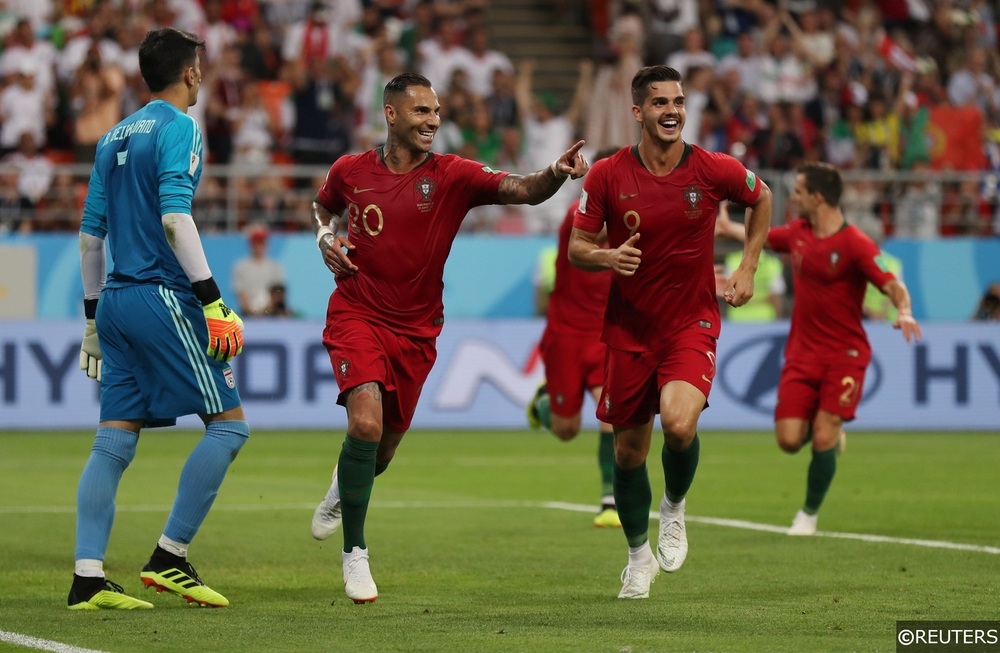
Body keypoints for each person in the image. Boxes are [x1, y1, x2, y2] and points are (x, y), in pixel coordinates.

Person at [308, 72, 589, 604]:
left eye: (436, 113)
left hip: (417, 330)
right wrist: (325, 236)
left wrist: (556, 170)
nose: (433, 121)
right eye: (421, 112)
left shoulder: (454, 175)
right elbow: (323, 206)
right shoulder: (350, 170)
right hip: (357, 311)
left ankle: (342, 489)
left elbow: (524, 190)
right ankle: (356, 555)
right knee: (365, 423)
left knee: (383, 448)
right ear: (391, 114)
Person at [568, 65, 772, 600]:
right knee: (628, 454)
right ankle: (638, 557)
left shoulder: (712, 168)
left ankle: (674, 508)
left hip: (691, 323)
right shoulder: (608, 175)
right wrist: (608, 256)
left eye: (678, 101)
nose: (672, 110)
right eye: (659, 102)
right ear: (638, 112)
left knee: (680, 425)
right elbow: (577, 248)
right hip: (629, 330)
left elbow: (762, 198)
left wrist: (747, 265)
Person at [71, 27, 249, 611]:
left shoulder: (111, 137)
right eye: (200, 66)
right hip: (160, 296)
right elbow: (177, 221)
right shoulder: (179, 129)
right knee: (228, 425)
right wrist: (213, 299)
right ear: (191, 72)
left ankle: (88, 577)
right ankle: (170, 557)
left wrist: (93, 319)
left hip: (117, 301)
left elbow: (89, 238)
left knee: (113, 440)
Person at [721, 162, 922, 537]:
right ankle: (827, 432)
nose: (792, 198)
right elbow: (764, 236)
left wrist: (905, 310)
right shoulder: (798, 233)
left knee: (825, 434)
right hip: (801, 355)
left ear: (816, 197)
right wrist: (730, 228)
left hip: (845, 355)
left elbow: (891, 283)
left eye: (797, 192)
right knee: (788, 440)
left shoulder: (855, 244)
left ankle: (808, 515)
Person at [527, 147, 620, 529]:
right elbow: (584, 225)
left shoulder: (631, 226)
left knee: (612, 416)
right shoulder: (576, 220)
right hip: (565, 336)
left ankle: (609, 501)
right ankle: (543, 406)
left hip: (605, 337)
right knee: (567, 430)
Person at [232, 225, 286, 317]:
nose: (259, 246)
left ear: (266, 245)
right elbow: (240, 292)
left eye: (262, 243)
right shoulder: (241, 266)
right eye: (256, 243)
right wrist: (250, 311)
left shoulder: (275, 266)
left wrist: (267, 309)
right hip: (248, 313)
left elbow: (278, 291)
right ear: (251, 245)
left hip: (270, 312)